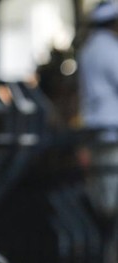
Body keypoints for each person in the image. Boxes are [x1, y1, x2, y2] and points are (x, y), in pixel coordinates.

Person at [78, 2, 118, 223]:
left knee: (102, 195)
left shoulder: (89, 49)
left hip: (95, 131)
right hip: (113, 132)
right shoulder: (110, 49)